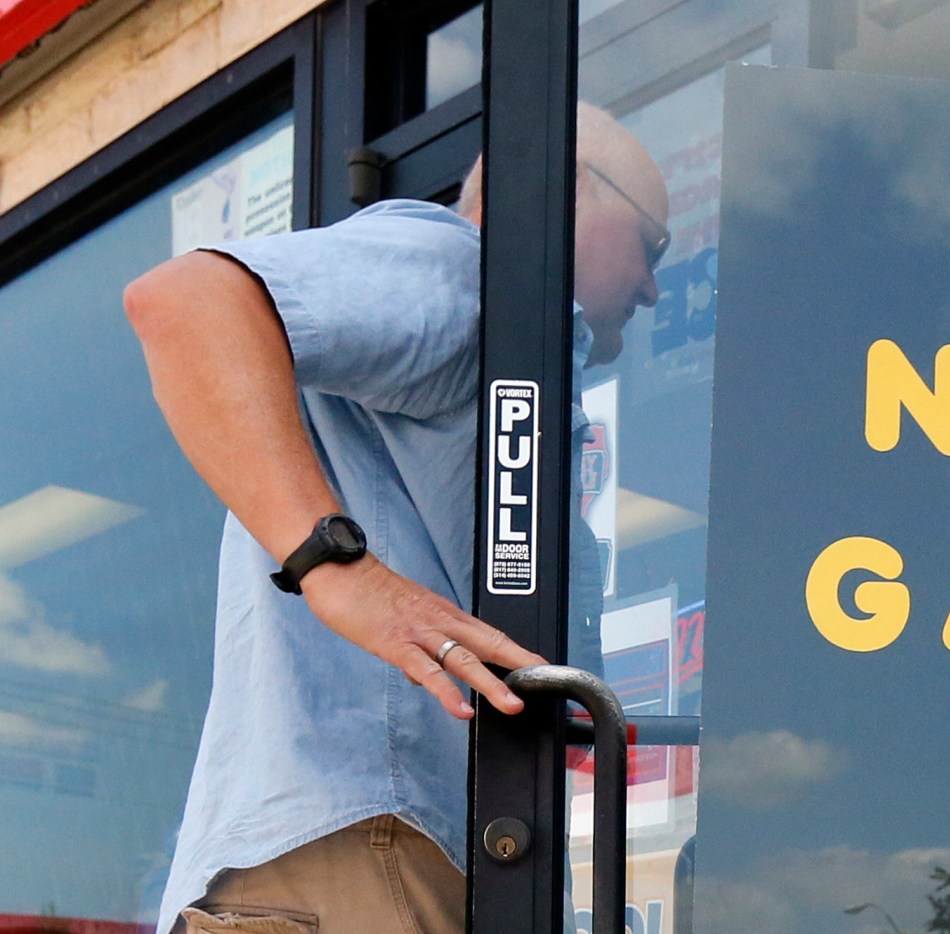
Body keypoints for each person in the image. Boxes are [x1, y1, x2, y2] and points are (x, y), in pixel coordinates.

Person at [125, 103, 669, 934]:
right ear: (570, 189)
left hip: (396, 849)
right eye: (651, 246)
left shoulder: (501, 336)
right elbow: (188, 301)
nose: (653, 286)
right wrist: (339, 569)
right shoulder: (469, 268)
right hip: (371, 851)